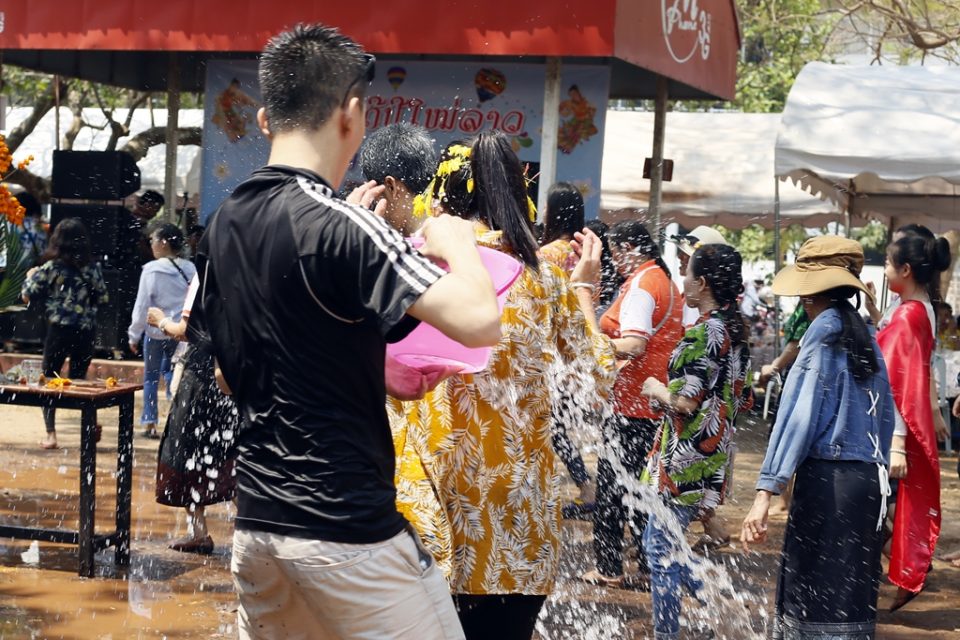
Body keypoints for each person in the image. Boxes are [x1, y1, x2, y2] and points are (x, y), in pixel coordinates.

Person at [195, 24, 501, 640]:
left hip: (257, 528)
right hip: (347, 532)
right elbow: (478, 320)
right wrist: (457, 243)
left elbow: (230, 375)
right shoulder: (343, 224)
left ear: (263, 119)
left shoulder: (224, 223)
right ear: (354, 114)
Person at [394, 132, 614, 639]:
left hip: (431, 519)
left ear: (442, 202)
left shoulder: (417, 273)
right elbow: (597, 378)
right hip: (521, 525)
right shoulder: (544, 282)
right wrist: (585, 291)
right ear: (520, 197)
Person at [741, 236, 895, 639]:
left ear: (808, 292)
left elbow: (798, 416)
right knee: (850, 603)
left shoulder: (823, 332)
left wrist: (765, 493)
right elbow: (885, 416)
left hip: (831, 485)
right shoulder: (865, 333)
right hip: (868, 487)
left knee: (813, 604)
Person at [639, 243, 752, 640]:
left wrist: (655, 387)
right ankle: (721, 609)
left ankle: (674, 631)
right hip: (712, 454)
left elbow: (685, 401)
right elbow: (742, 397)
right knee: (660, 544)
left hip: (685, 456)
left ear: (701, 283)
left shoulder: (704, 332)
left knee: (657, 549)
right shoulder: (735, 331)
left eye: (687, 273)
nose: (682, 279)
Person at [580, 220, 682, 587]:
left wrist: (592, 346)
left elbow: (634, 345)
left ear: (629, 249)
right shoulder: (663, 280)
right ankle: (645, 566)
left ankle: (608, 568)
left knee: (611, 488)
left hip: (632, 406)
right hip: (651, 405)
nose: (613, 260)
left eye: (615, 251)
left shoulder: (642, 285)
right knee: (642, 490)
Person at [877, 226, 950, 611]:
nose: (884, 269)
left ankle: (907, 574)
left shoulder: (908, 315)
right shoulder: (921, 308)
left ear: (906, 270)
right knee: (896, 505)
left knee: (879, 507)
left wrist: (897, 443)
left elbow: (896, 385)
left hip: (896, 428)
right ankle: (907, 573)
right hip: (912, 418)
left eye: (888, 264)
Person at [147, 274, 239, 555]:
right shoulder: (248, 268)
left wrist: (161, 321)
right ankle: (255, 528)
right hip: (235, 370)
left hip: (201, 372)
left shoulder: (206, 275)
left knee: (186, 449)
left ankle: (199, 532)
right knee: (231, 450)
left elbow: (187, 330)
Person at [20, 218, 109, 449]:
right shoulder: (93, 269)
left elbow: (27, 296)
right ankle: (90, 428)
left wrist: (31, 276)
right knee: (80, 382)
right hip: (86, 331)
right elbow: (104, 298)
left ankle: (51, 435)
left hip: (58, 330)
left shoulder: (51, 268)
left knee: (49, 380)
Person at [538, 182, 596, 508]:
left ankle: (582, 487)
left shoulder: (546, 255)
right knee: (556, 426)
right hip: (575, 354)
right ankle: (583, 486)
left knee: (549, 427)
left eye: (547, 206)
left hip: (549, 357)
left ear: (554, 211)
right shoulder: (582, 252)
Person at [127, 222, 196, 439]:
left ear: (163, 243)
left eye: (153, 240)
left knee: (151, 378)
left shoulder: (151, 269)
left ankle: (149, 422)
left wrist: (133, 333)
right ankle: (175, 418)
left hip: (155, 332)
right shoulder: (190, 268)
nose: (151, 245)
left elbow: (142, 304)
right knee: (174, 373)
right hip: (180, 333)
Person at [359, 122, 437, 237]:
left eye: (374, 195)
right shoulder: (458, 235)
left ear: (391, 186)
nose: (373, 204)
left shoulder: (386, 247)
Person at [669, 225, 729, 328]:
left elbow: (693, 340)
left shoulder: (698, 298)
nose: (680, 257)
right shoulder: (695, 294)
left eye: (686, 254)